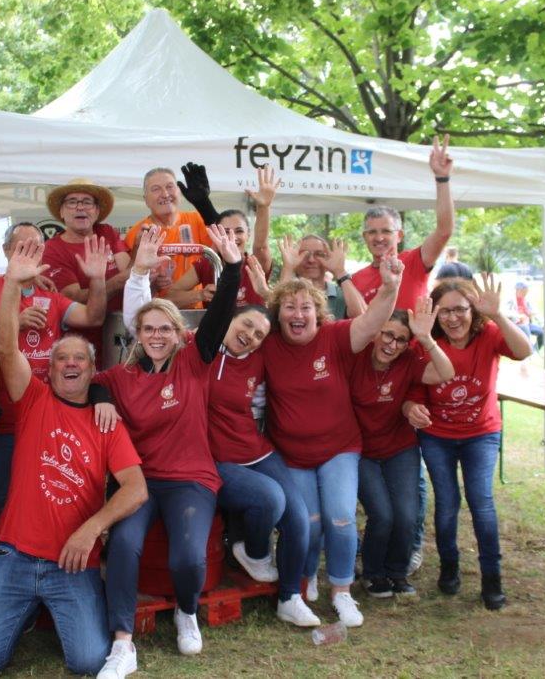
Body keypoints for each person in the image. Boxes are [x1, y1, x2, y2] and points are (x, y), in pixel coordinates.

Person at [0, 237, 147, 678]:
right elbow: (7, 348)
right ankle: (21, 608)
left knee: (86, 661)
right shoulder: (33, 400)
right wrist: (12, 284)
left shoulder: (105, 421)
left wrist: (92, 529)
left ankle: (36, 608)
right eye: (61, 357)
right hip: (15, 556)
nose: (70, 364)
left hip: (72, 560)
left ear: (92, 369)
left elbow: (136, 489)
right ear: (49, 367)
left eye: (79, 358)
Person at [130, 255, 320, 628]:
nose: (250, 335)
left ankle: (290, 597)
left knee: (299, 517)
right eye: (246, 325)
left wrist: (273, 287)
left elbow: (296, 333)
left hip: (255, 450)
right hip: (213, 459)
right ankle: (253, 551)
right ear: (230, 319)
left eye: (259, 334)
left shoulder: (260, 358)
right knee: (270, 498)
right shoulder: (194, 349)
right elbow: (146, 332)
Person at [95, 224, 241, 663]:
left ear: (179, 334)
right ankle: (122, 639)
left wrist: (232, 267)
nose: (156, 336)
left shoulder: (194, 361)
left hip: (189, 480)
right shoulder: (122, 377)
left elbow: (219, 315)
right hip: (139, 483)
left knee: (188, 558)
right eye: (148, 329)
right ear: (137, 334)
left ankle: (186, 611)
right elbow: (92, 384)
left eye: (164, 329)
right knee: (123, 546)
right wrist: (103, 400)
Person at [261, 248, 403, 627]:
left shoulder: (335, 335)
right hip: (292, 454)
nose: (298, 314)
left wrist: (390, 287)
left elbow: (372, 322)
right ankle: (306, 575)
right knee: (308, 523)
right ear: (278, 314)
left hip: (339, 449)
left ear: (318, 312)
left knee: (340, 518)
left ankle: (342, 590)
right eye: (289, 307)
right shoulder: (268, 345)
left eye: (306, 307)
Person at [0, 222, 108, 528]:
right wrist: (14, 321)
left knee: (44, 496)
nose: (31, 253)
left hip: (47, 422)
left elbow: (93, 316)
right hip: (6, 424)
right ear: (6, 251)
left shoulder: (50, 295)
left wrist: (98, 279)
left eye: (37, 247)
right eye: (23, 247)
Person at [415, 275, 532, 611]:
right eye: (445, 311)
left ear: (473, 310)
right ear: (435, 314)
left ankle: (492, 579)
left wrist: (498, 316)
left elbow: (524, 351)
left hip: (481, 433)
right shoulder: (427, 342)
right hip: (438, 435)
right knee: (447, 502)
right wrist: (412, 407)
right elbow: (414, 387)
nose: (453, 318)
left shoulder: (489, 334)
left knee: (481, 501)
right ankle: (449, 568)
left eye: (460, 310)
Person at [351, 299, 454, 598]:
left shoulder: (408, 360)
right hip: (361, 451)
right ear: (376, 333)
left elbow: (445, 373)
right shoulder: (355, 356)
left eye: (400, 339)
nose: (392, 344)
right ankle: (373, 573)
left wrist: (426, 338)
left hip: (399, 448)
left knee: (407, 515)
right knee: (382, 515)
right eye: (387, 334)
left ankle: (397, 572)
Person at [350, 135, 455, 310]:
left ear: (399, 235)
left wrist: (442, 179)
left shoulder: (414, 262)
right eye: (372, 232)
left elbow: (444, 231)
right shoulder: (356, 280)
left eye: (386, 231)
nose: (379, 238)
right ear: (364, 237)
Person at [40, 179, 131, 356]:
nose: (80, 207)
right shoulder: (52, 250)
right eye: (72, 202)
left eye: (87, 202)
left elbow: (130, 272)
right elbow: (73, 299)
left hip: (122, 338)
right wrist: (118, 281)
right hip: (82, 348)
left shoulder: (106, 231)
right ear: (61, 212)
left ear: (97, 211)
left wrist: (140, 247)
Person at [166, 166, 276, 309]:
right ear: (216, 235)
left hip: (253, 323)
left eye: (239, 231)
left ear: (248, 234)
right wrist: (199, 294)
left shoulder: (255, 263)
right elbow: (169, 297)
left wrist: (263, 207)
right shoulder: (207, 264)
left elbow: (261, 246)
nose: (232, 237)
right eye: (225, 232)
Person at [123, 164, 220, 301]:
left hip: (197, 306)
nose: (165, 194)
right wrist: (151, 282)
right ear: (146, 200)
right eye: (156, 189)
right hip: (154, 309)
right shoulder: (137, 233)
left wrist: (204, 204)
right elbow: (128, 283)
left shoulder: (198, 219)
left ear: (179, 192)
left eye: (170, 187)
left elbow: (225, 241)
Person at [277, 234, 366, 320]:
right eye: (304, 254)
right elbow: (275, 313)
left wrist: (340, 271)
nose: (311, 260)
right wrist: (288, 268)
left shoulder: (342, 294)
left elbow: (363, 317)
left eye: (319, 254)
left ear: (328, 259)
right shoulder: (287, 293)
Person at [505, 281, 543, 349]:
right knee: (525, 329)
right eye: (524, 290)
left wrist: (542, 323)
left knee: (542, 333)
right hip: (516, 325)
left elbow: (535, 312)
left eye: (526, 291)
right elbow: (505, 312)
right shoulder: (510, 300)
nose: (526, 293)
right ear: (518, 290)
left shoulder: (527, 300)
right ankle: (528, 350)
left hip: (527, 324)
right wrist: (518, 316)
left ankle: (534, 350)